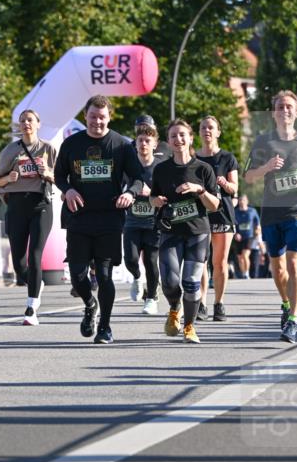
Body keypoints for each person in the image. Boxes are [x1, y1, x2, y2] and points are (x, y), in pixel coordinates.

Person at [54, 95, 144, 345]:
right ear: (86, 116)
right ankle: (89, 304)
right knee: (78, 276)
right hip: (79, 217)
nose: (97, 122)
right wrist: (68, 189)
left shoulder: (122, 145)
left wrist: (130, 193)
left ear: (109, 117)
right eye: (93, 116)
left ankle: (105, 327)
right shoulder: (72, 144)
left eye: (102, 117)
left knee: (104, 276)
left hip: (109, 219)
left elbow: (137, 178)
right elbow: (59, 175)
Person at [244, 90, 297, 344]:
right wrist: (266, 168)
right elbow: (248, 176)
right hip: (271, 212)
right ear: (274, 112)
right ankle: (286, 304)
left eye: (289, 106)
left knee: (294, 264)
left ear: (296, 112)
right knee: (277, 269)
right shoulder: (263, 142)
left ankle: (293, 321)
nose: (285, 110)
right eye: (280, 107)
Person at [150, 119, 220, 344]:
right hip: (171, 232)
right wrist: (156, 201)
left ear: (190, 138)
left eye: (182, 135)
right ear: (168, 142)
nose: (178, 139)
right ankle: (174, 308)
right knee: (170, 282)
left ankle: (189, 326)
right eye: (173, 136)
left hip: (197, 232)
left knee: (191, 282)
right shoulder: (161, 170)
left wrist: (199, 190)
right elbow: (153, 198)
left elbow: (214, 205)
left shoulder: (203, 169)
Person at [0, 109, 56, 325]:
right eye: (22, 121)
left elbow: (63, 178)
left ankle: (31, 307)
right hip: (16, 205)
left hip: (40, 205)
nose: (26, 124)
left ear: (38, 124)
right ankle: (34, 282)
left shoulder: (48, 149)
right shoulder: (10, 151)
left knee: (35, 255)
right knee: (20, 265)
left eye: (30, 120)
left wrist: (49, 174)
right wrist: (8, 179)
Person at [196, 115, 239, 321]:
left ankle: (218, 303)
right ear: (199, 132)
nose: (207, 131)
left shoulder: (227, 158)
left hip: (223, 213)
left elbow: (234, 188)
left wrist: (223, 183)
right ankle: (201, 303)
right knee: (201, 261)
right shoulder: (194, 158)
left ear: (218, 132)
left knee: (219, 262)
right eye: (203, 127)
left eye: (211, 127)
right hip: (201, 214)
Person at [123, 122, 161, 316]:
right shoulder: (129, 167)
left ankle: (151, 298)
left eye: (148, 140)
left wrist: (151, 194)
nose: (144, 144)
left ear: (155, 144)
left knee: (151, 261)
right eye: (140, 140)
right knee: (130, 259)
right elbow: (118, 186)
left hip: (153, 222)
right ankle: (137, 278)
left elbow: (167, 194)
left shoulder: (160, 167)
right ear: (135, 144)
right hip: (132, 221)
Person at [233, 194, 261, 279]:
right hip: (239, 237)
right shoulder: (235, 212)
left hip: (249, 236)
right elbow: (233, 225)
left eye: (243, 200)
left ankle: (247, 273)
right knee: (240, 258)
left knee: (245, 255)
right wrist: (235, 234)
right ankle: (243, 273)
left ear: (247, 201)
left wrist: (257, 235)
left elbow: (257, 224)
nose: (241, 202)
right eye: (240, 200)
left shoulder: (252, 211)